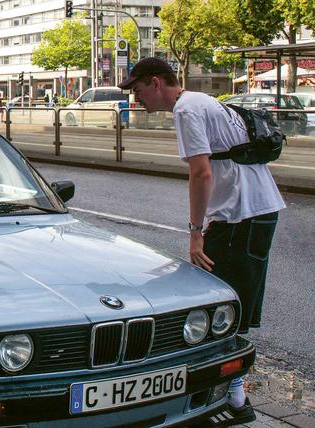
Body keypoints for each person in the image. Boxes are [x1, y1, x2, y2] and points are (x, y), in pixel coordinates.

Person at [118, 57, 285, 427]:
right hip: (253, 211)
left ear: (157, 82)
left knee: (226, 303)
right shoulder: (200, 102)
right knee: (232, 298)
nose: (136, 98)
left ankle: (234, 395)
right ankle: (232, 390)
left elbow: (201, 171)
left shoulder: (186, 110)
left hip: (241, 215)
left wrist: (196, 233)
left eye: (138, 89)